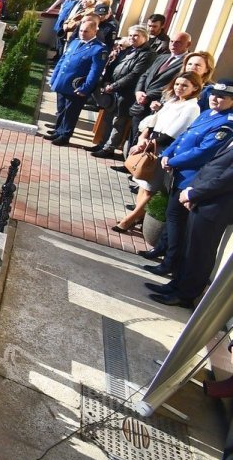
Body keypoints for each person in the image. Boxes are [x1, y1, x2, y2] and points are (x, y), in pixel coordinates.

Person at [142, 82, 233, 295]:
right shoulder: (209, 114)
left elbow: (209, 158)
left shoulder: (227, 124)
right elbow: (186, 137)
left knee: (197, 249)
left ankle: (181, 289)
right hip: (197, 187)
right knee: (189, 242)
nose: (215, 98)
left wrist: (193, 189)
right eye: (214, 94)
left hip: (209, 196)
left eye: (222, 96)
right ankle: (176, 284)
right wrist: (167, 155)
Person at [112, 72, 202, 233]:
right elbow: (154, 121)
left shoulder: (192, 107)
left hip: (164, 148)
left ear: (195, 88)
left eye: (184, 85)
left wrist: (149, 143)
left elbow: (175, 133)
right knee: (142, 183)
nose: (179, 88)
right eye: (177, 84)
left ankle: (129, 220)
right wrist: (144, 137)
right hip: (151, 142)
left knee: (151, 188)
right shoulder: (172, 101)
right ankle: (137, 216)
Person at [91, 24, 155, 158]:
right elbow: (113, 65)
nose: (132, 38)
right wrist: (107, 81)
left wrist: (113, 86)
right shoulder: (127, 50)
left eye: (136, 35)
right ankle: (102, 144)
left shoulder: (148, 54)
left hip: (126, 94)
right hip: (113, 90)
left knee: (117, 122)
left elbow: (134, 75)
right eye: (130, 35)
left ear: (145, 37)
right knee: (108, 119)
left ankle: (109, 148)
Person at [46, 16, 106, 146]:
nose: (82, 33)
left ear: (94, 32)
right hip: (63, 82)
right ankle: (58, 130)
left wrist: (85, 88)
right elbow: (62, 60)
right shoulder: (75, 42)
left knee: (71, 112)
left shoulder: (99, 48)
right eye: (81, 31)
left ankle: (65, 135)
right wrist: (54, 77)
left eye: (86, 32)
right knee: (61, 109)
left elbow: (94, 72)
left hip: (76, 86)